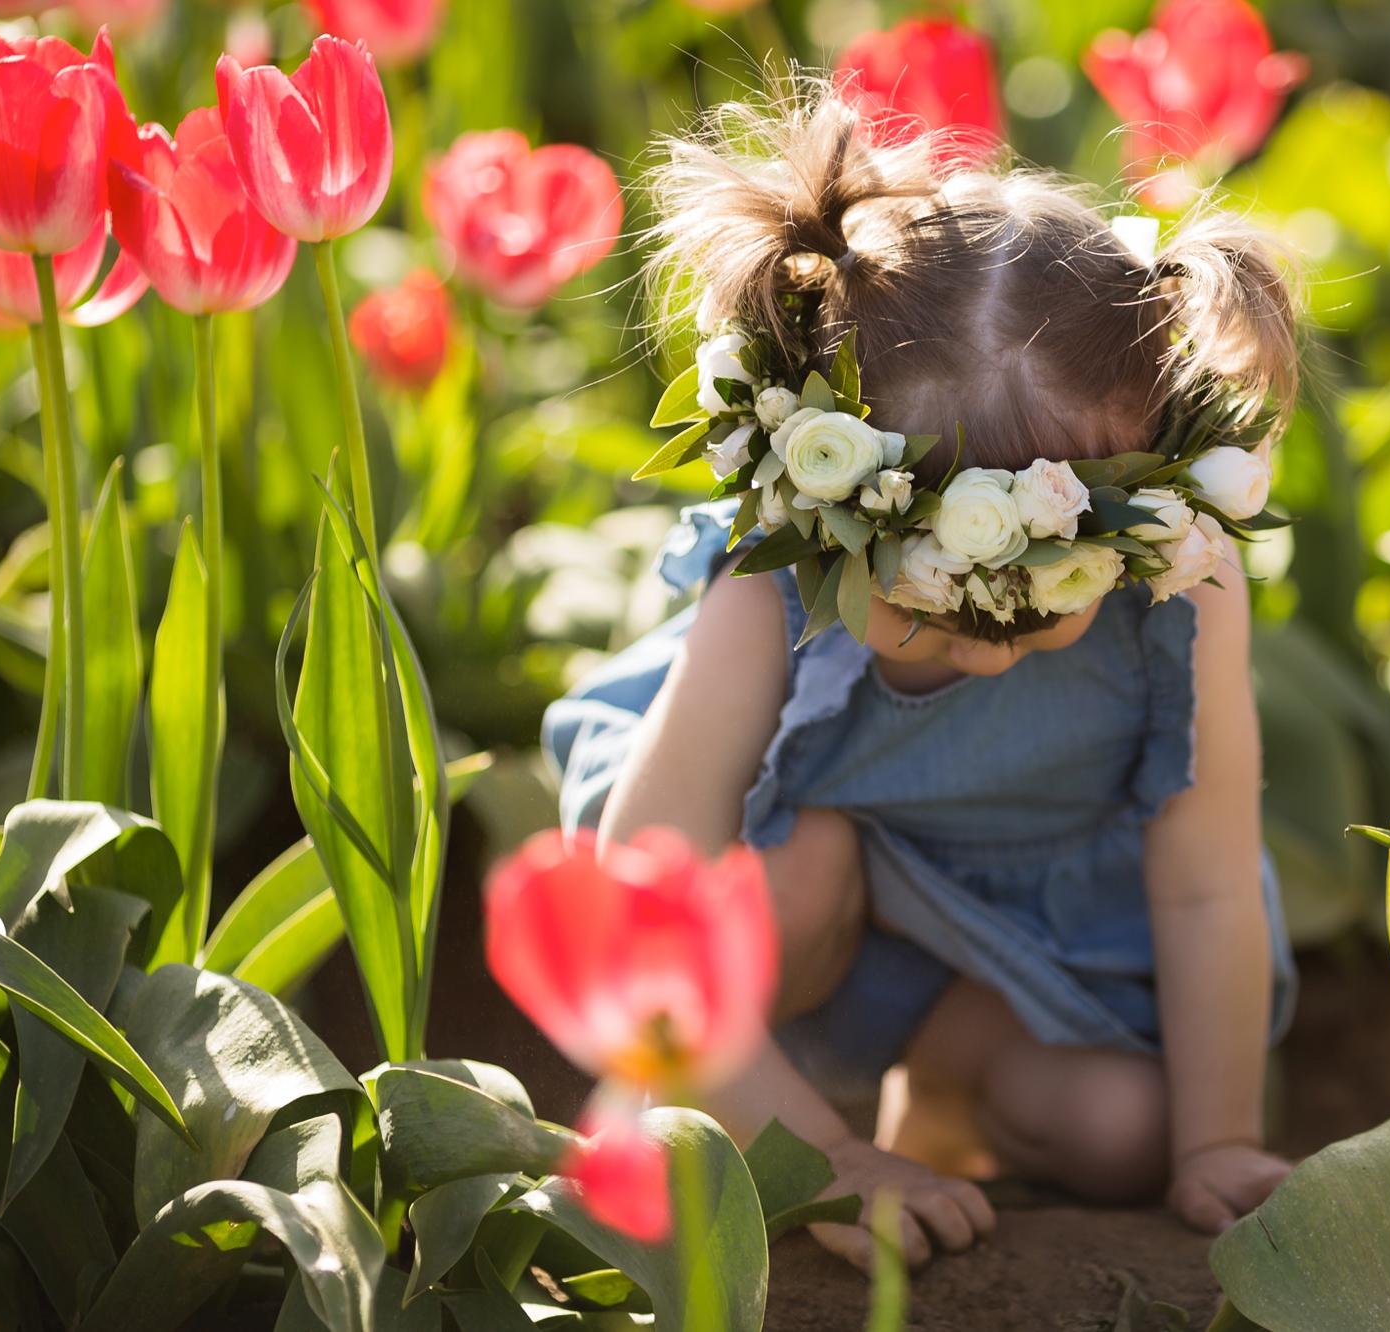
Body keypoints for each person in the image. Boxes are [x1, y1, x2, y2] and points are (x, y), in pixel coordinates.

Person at [542, 88, 1300, 1274]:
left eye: (1040, 595)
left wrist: (1218, 1142)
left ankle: (939, 1105)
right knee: (786, 874)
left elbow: (1207, 889)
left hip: (1022, 916)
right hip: (801, 889)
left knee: (1119, 1134)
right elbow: (647, 890)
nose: (987, 643)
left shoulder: (1181, 588)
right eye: (926, 605)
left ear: (1142, 514)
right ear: (833, 508)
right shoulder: (771, 587)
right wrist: (822, 1167)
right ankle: (673, 1105)